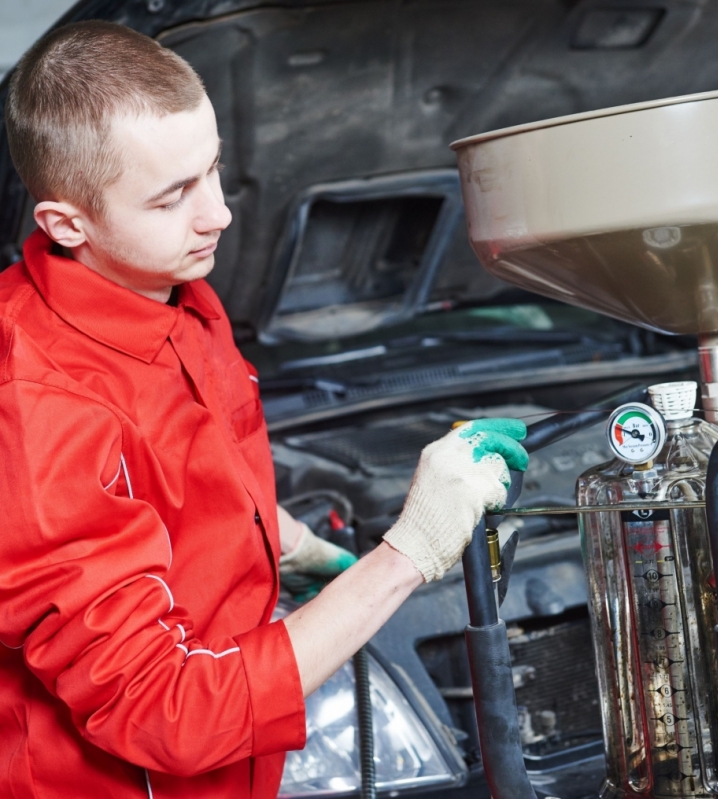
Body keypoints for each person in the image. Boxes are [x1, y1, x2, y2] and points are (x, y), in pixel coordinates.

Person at [0, 20, 529, 799]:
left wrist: (292, 549)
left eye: (212, 170)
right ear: (65, 224)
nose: (218, 214)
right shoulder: (35, 408)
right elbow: (167, 711)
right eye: (173, 195)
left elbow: (177, 475)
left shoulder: (167, 288)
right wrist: (406, 552)